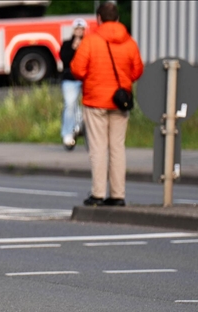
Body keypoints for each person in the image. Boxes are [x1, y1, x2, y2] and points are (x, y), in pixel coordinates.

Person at [71, 2, 143, 207]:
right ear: (118, 19)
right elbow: (137, 71)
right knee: (117, 148)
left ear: (99, 19)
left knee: (98, 148)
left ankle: (98, 193)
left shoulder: (90, 41)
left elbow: (77, 69)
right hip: (121, 102)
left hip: (95, 101)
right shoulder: (129, 42)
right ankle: (118, 195)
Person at [60, 18, 87, 150]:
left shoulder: (88, 43)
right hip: (70, 79)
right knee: (70, 104)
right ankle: (67, 134)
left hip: (85, 79)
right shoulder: (67, 44)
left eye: (81, 29)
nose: (79, 31)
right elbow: (64, 59)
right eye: (77, 29)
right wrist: (73, 47)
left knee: (87, 106)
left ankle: (80, 127)